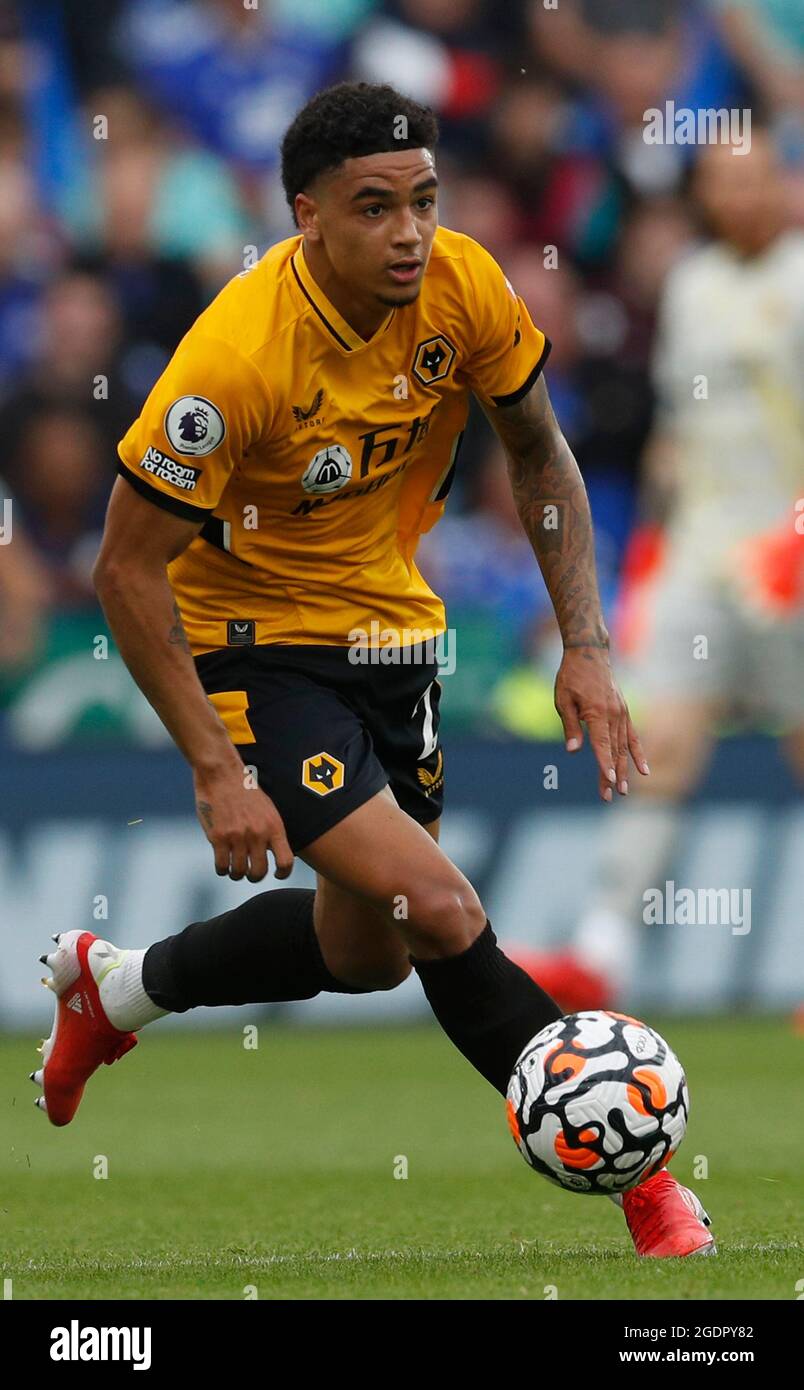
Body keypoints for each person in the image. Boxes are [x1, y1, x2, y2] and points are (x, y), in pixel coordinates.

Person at [31, 81, 713, 1257]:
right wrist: (213, 767)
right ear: (308, 215)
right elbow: (125, 572)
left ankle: (118, 988)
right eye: (374, 208)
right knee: (444, 909)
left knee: (367, 949)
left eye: (424, 201)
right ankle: (645, 1185)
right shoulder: (234, 360)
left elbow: (540, 455)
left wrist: (587, 647)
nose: (409, 232)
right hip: (252, 650)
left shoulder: (465, 284)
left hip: (395, 635)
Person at [533, 131, 804, 1008]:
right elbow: (678, 438)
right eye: (723, 182)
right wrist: (648, 554)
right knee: (665, 745)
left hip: (792, 553)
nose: (741, 197)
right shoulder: (691, 284)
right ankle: (599, 954)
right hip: (702, 552)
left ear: (783, 185)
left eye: (756, 179)